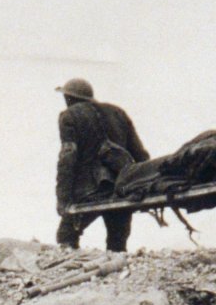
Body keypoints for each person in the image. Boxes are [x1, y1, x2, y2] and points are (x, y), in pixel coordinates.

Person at [54, 78, 150, 251]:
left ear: (69, 98)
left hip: (89, 192)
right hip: (122, 189)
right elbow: (140, 155)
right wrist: (145, 185)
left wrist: (63, 199)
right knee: (117, 244)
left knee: (66, 235)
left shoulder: (69, 116)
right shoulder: (118, 113)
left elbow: (67, 158)